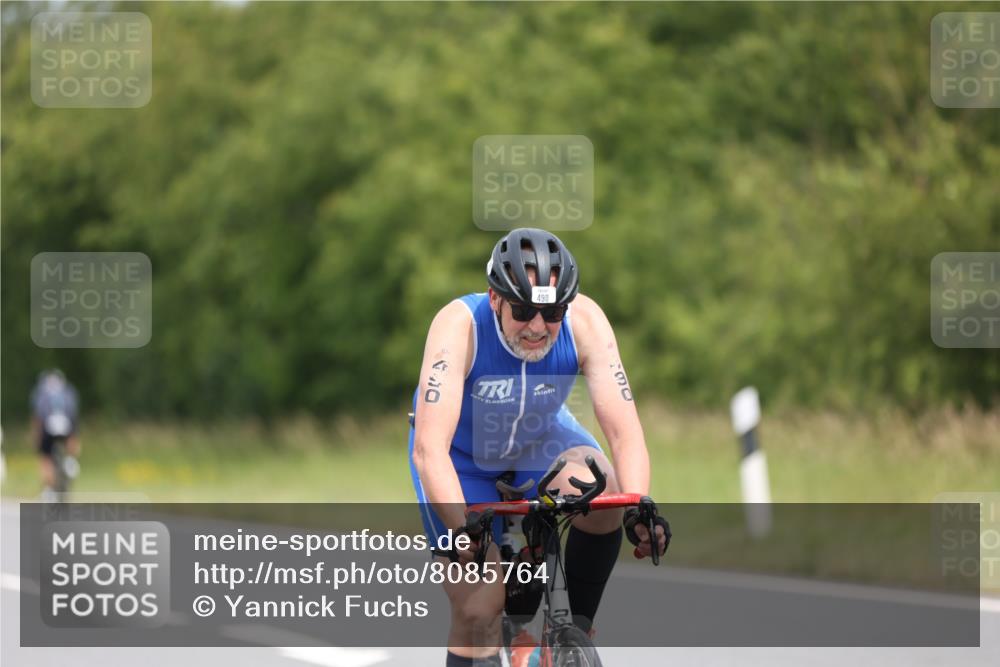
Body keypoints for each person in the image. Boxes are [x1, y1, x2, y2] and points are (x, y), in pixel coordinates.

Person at [409, 228, 667, 667]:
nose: (536, 326)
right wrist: (461, 528)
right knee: (479, 609)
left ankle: (573, 633)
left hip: (539, 440)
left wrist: (638, 506)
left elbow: (624, 431)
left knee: (604, 491)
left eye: (551, 313)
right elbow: (430, 450)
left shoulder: (585, 322)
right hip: (461, 459)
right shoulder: (458, 327)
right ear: (495, 298)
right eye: (523, 309)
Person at [30, 369, 81, 497]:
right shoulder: (68, 391)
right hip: (67, 423)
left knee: (45, 457)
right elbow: (73, 414)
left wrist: (36, 437)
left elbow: (38, 417)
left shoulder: (41, 393)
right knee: (72, 434)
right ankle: (71, 460)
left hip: (48, 426)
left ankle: (49, 491)